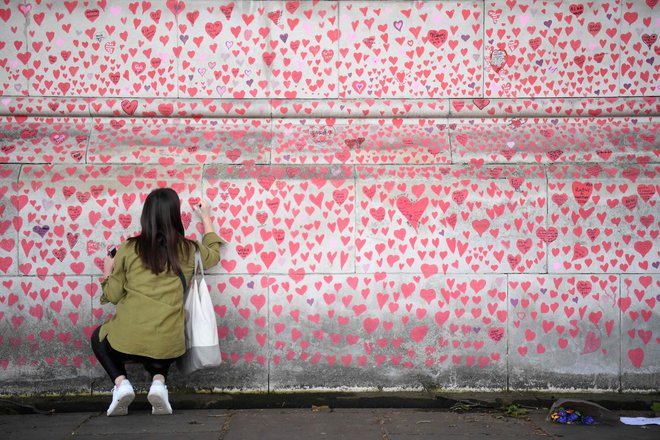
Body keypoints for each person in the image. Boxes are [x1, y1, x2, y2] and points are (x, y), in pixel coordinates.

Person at [90, 188, 222, 416]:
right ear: (175, 215)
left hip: (127, 341)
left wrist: (106, 271)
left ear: (145, 216)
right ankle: (159, 383)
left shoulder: (128, 248)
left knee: (98, 338)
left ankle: (122, 385)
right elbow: (213, 254)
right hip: (170, 346)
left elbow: (112, 296)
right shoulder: (189, 249)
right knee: (165, 334)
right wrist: (206, 217)